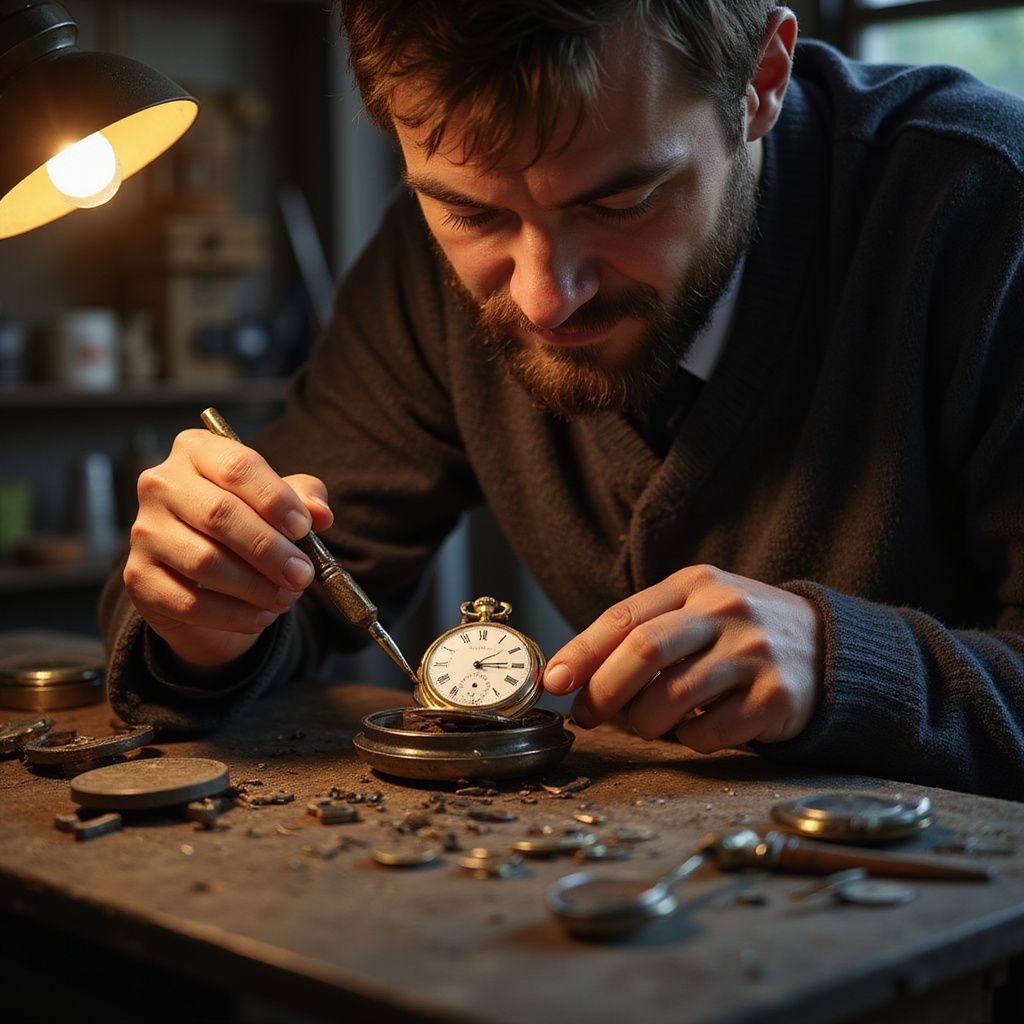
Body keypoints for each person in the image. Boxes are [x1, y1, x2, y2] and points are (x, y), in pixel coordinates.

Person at [102, 1, 1024, 799]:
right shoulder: (422, 277)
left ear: (762, 81)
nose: (546, 298)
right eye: (473, 214)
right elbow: (288, 567)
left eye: (621, 204)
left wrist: (845, 668)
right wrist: (204, 612)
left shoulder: (986, 215)